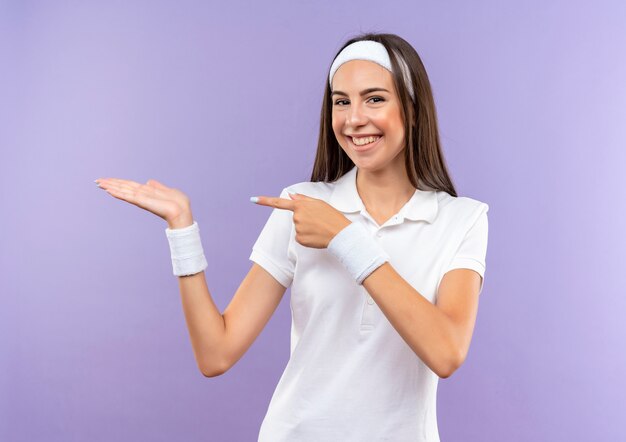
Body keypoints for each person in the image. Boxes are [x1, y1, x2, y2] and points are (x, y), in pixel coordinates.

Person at [95, 32, 489, 442]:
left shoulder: (462, 220)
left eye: (374, 98)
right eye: (341, 101)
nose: (354, 118)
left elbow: (446, 352)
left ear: (410, 108)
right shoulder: (299, 206)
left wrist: (344, 237)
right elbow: (216, 353)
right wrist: (182, 228)